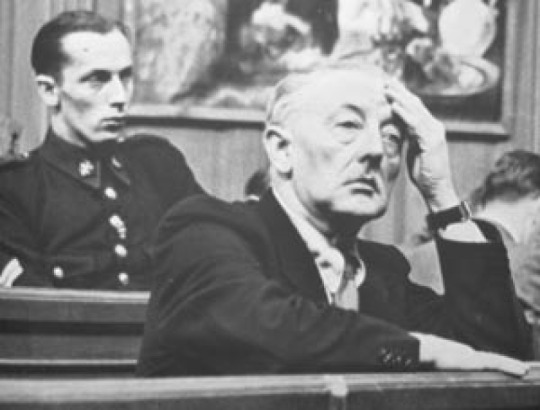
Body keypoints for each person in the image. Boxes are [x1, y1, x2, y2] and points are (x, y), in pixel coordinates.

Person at [137, 64, 531, 377]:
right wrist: (421, 350)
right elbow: (262, 326)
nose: (376, 150)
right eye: (348, 126)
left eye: (392, 138)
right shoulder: (204, 229)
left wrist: (441, 195)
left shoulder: (382, 270)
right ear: (281, 149)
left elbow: (498, 357)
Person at [0, 10, 203, 289]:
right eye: (97, 79)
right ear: (49, 91)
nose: (120, 97)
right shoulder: (13, 190)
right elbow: (35, 306)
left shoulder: (159, 166)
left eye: (126, 77)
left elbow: (216, 256)